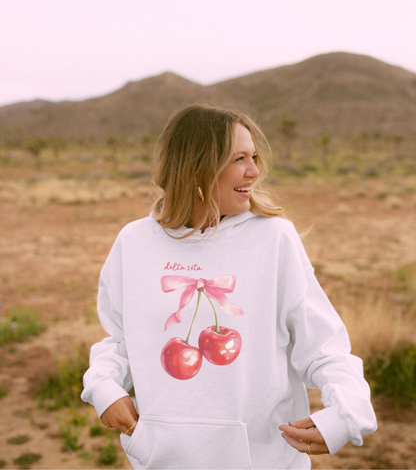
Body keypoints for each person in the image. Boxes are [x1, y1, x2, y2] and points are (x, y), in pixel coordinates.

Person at [81, 104, 377, 469]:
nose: (254, 171)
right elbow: (120, 340)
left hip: (261, 457)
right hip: (162, 457)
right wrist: (104, 388)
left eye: (254, 157)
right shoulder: (134, 242)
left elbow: (322, 345)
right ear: (197, 168)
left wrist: (347, 413)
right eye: (239, 158)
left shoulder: (274, 238)